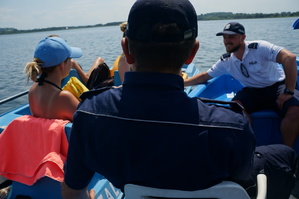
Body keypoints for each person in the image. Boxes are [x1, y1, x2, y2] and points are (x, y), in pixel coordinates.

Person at [62, 1, 297, 199]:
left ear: (127, 49)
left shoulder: (89, 115)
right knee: (285, 156)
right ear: (192, 53)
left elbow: (72, 190)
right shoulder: (232, 126)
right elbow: (243, 179)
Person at [184, 22, 299, 147]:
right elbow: (205, 76)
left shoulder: (259, 47)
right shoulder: (226, 61)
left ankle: (287, 152)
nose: (227, 41)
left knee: (295, 110)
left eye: (231, 37)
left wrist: (289, 90)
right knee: (236, 110)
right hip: (252, 90)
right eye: (225, 37)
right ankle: (248, 150)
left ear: (243, 37)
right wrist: (181, 82)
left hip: (277, 87)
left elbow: (289, 58)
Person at [24, 36, 83, 121]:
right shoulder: (65, 98)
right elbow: (89, 126)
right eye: (70, 59)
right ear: (62, 65)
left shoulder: (33, 91)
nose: (72, 62)